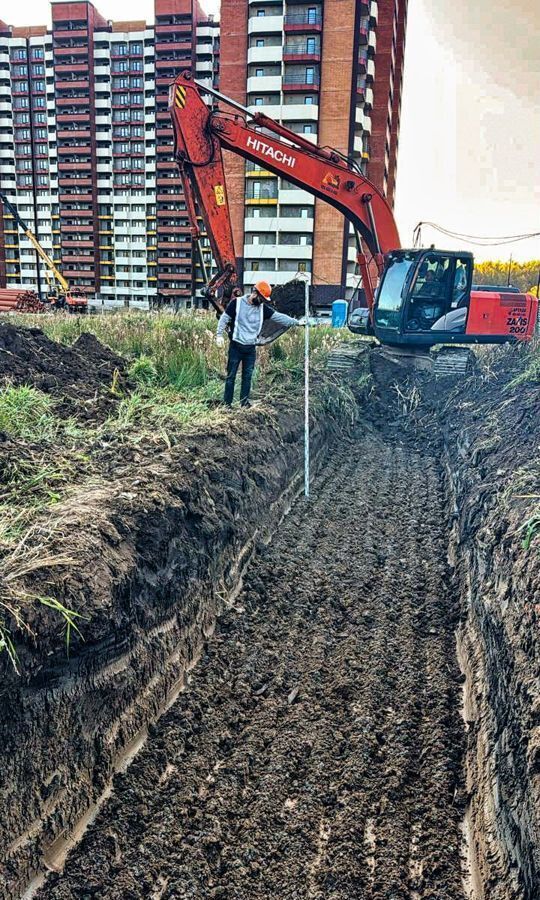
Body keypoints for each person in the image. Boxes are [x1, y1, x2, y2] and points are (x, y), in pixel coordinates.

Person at [216, 280, 302, 407]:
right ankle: (227, 404)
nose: (261, 301)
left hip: (250, 348)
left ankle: (244, 403)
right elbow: (224, 318)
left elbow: (279, 317)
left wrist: (296, 322)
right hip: (236, 346)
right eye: (260, 298)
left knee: (247, 377)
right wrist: (219, 335)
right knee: (231, 376)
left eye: (263, 299)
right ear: (254, 292)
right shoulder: (237, 303)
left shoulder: (263, 309)